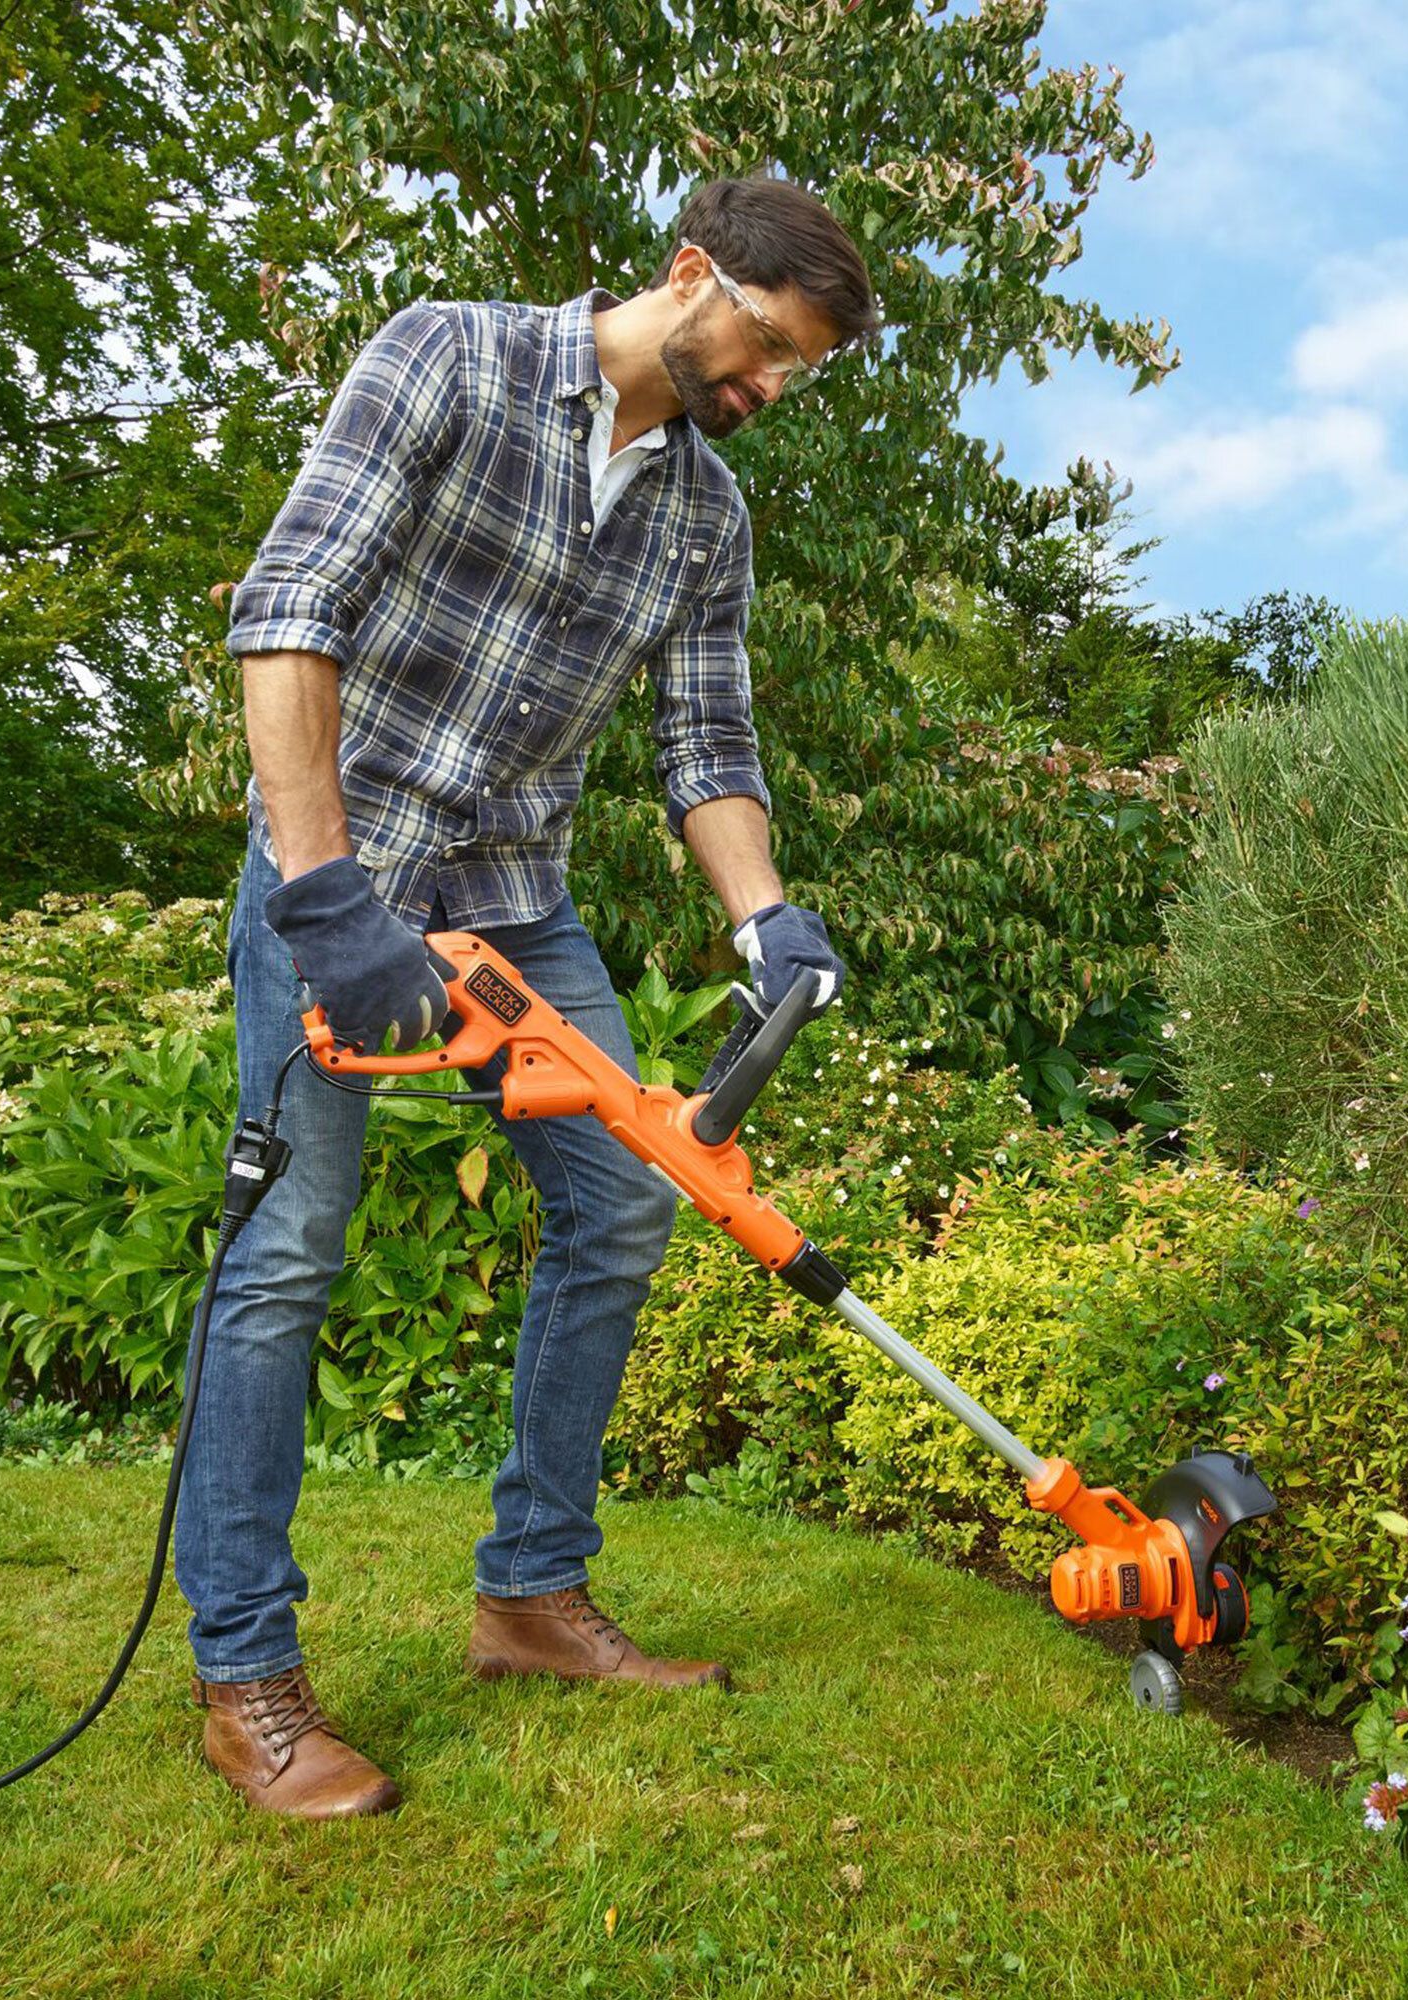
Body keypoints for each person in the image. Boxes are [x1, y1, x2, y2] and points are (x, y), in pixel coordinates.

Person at [175, 176, 880, 1818]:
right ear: (692, 274)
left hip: (519, 907)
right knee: (285, 1257)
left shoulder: (709, 519)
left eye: (799, 373)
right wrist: (324, 891)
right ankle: (247, 1681)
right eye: (767, 346)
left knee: (629, 1202)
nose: (770, 389)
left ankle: (530, 1595)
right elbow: (290, 612)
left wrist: (766, 919)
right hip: (336, 872)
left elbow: (707, 746)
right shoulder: (452, 360)